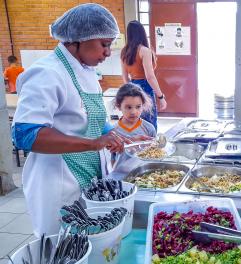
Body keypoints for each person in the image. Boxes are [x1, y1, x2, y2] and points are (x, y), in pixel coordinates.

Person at [11, 4, 147, 237]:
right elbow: (25, 134)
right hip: (59, 179)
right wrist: (92, 144)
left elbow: (94, 121)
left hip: (91, 173)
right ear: (78, 40)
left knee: (93, 241)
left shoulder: (86, 70)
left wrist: (124, 138)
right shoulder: (47, 73)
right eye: (104, 45)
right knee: (63, 245)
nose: (107, 53)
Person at [121, 20, 167, 131]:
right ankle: (151, 148)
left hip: (131, 86)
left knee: (135, 122)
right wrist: (161, 97)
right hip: (145, 87)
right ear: (142, 33)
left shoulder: (124, 51)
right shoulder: (145, 51)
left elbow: (125, 77)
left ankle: (138, 147)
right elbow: (150, 77)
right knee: (149, 124)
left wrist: (129, 94)